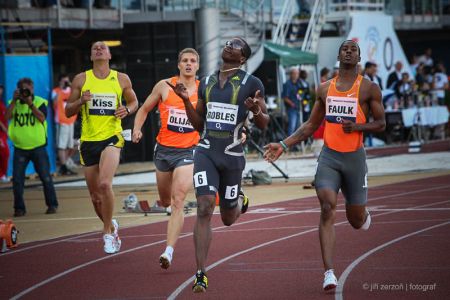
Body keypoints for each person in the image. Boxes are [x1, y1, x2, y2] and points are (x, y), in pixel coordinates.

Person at [263, 40, 385, 291]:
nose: (349, 51)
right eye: (345, 48)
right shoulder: (324, 89)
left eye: (353, 49)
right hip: (329, 157)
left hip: (354, 159)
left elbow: (381, 123)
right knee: (327, 205)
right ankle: (329, 272)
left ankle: (363, 214)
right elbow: (310, 125)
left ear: (359, 57)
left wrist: (359, 127)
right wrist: (283, 145)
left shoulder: (369, 89)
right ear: (339, 55)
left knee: (355, 219)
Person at [168, 37, 269, 293]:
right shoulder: (208, 81)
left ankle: (238, 201)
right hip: (206, 151)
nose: (228, 45)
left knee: (227, 218)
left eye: (235, 45)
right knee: (203, 207)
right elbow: (199, 125)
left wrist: (256, 110)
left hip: (232, 154)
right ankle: (201, 273)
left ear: (243, 58)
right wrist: (185, 101)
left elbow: (264, 123)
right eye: (227, 43)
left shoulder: (252, 83)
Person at [65, 41, 138, 254]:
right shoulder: (81, 79)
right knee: (96, 197)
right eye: (94, 47)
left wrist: (127, 109)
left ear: (109, 55)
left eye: (102, 47)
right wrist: (81, 101)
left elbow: (134, 102)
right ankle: (111, 225)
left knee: (105, 184)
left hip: (112, 138)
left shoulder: (121, 78)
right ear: (91, 56)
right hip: (88, 142)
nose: (98, 48)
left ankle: (107, 232)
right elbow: (68, 111)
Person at [132, 48, 201, 269]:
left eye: (193, 61)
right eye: (185, 61)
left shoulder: (204, 90)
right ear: (178, 65)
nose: (189, 64)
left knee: (178, 199)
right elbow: (143, 109)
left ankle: (168, 252)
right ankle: (171, 210)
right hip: (163, 151)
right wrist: (136, 129)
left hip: (189, 151)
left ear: (197, 66)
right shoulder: (164, 86)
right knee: (165, 201)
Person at [6, 78, 59, 216]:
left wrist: (30, 104)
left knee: (45, 177)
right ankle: (19, 208)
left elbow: (42, 118)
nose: (26, 92)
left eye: (29, 89)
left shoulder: (39, 102)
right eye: (24, 89)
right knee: (17, 180)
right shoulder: (14, 103)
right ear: (18, 90)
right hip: (20, 147)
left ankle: (52, 205)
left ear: (32, 89)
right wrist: (13, 101)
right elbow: (6, 117)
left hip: (38, 146)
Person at [52, 74, 77, 175]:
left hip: (71, 120)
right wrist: (61, 89)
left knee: (71, 146)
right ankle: (63, 166)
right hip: (61, 121)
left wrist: (71, 86)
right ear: (59, 82)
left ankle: (64, 164)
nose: (65, 83)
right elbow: (54, 104)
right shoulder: (56, 91)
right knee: (62, 145)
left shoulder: (71, 91)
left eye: (67, 81)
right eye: (64, 81)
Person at [282, 66, 301, 136]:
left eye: (297, 73)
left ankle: (295, 145)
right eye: (295, 73)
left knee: (297, 127)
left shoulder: (299, 83)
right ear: (291, 74)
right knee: (292, 127)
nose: (296, 75)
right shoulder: (287, 84)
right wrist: (292, 104)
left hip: (299, 107)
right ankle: (289, 145)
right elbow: (284, 97)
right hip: (291, 109)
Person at [0, 84, 10, 182]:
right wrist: (3, 128)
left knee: (4, 153)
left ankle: (2, 174)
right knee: (5, 152)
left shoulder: (1, 103)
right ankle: (1, 174)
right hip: (1, 132)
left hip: (3, 133)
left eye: (1, 89)